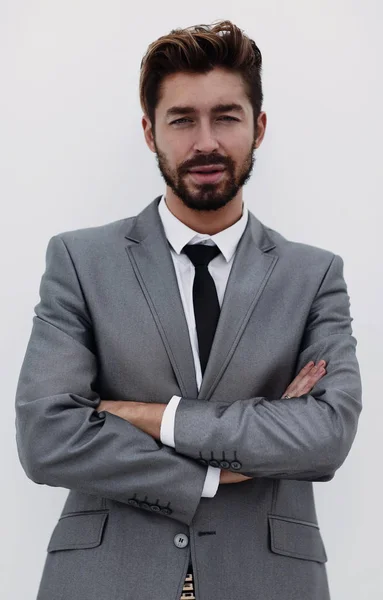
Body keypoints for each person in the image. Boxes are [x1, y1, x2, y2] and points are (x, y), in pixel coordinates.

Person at [15, 19, 362, 600]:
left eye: (226, 116)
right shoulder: (80, 260)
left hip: (270, 580)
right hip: (106, 580)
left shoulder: (314, 275)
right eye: (182, 120)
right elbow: (46, 436)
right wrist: (216, 472)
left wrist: (154, 418)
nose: (206, 142)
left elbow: (327, 433)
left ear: (260, 127)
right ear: (150, 132)